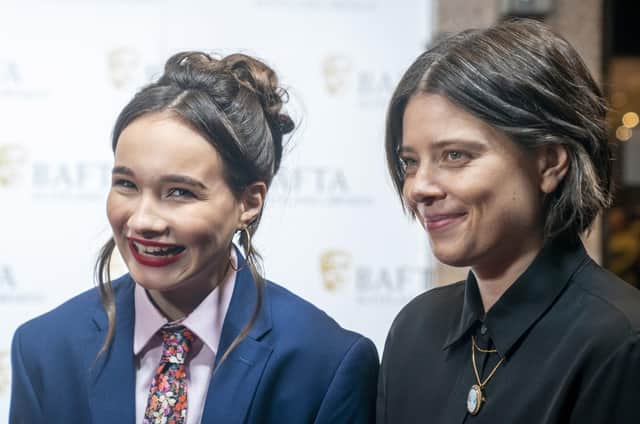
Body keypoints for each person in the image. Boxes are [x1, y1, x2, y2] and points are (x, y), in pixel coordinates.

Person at [10, 51, 378, 424]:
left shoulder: (324, 363)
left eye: (179, 192)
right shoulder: (44, 350)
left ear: (248, 202)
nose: (142, 221)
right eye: (126, 184)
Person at [377, 19, 640, 423]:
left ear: (550, 162)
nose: (419, 188)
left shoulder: (620, 343)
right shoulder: (414, 330)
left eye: (456, 155)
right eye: (410, 162)